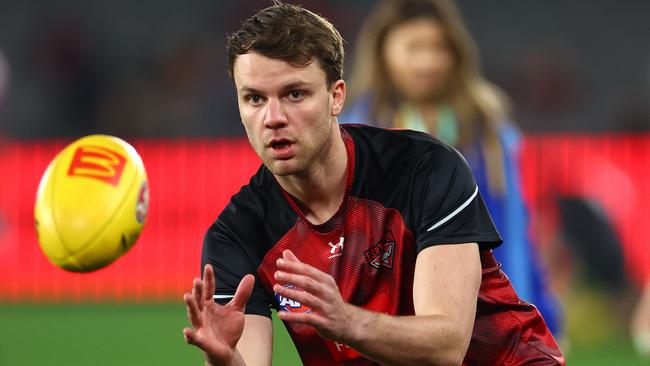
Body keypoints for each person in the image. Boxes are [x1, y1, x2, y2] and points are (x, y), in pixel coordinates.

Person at [182, 3, 564, 365]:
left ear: (336, 97)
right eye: (254, 98)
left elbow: (447, 346)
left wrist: (345, 321)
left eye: (295, 94)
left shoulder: (426, 169)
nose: (273, 117)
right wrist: (225, 359)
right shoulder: (236, 235)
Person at [342, 0, 561, 335]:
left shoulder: (487, 127)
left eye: (438, 47)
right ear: (383, 51)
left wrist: (533, 312)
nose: (427, 62)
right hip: (390, 318)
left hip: (482, 309)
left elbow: (513, 230)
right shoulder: (357, 130)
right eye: (413, 48)